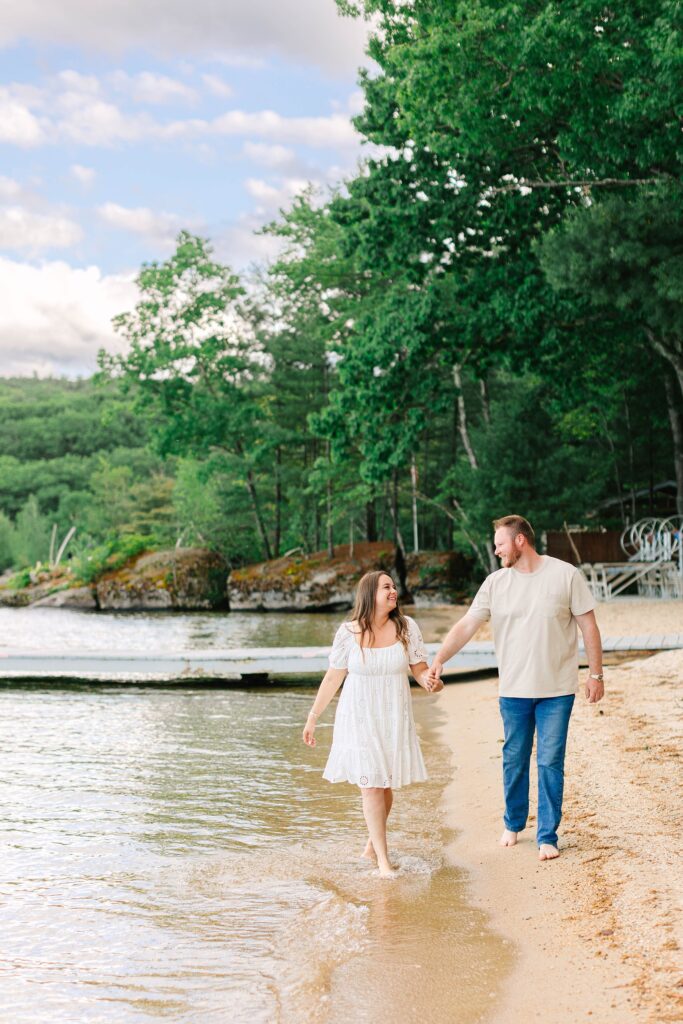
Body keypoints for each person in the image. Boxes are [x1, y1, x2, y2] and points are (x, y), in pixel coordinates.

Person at [427, 515, 604, 862]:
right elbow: (466, 625)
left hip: (557, 689)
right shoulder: (495, 584)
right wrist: (439, 659)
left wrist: (595, 675)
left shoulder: (565, 575)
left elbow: (589, 626)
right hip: (513, 690)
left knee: (551, 762)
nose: (496, 551)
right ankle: (513, 823)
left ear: (520, 540)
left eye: (500, 544)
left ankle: (547, 836)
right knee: (514, 760)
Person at [303, 570, 436, 878]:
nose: (394, 591)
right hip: (358, 717)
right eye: (386, 587)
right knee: (372, 786)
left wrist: (431, 682)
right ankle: (383, 861)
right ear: (369, 595)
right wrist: (313, 717)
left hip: (393, 715)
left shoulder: (406, 627)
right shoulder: (348, 632)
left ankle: (370, 846)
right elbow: (334, 676)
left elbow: (419, 669)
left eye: (393, 585)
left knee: (385, 784)